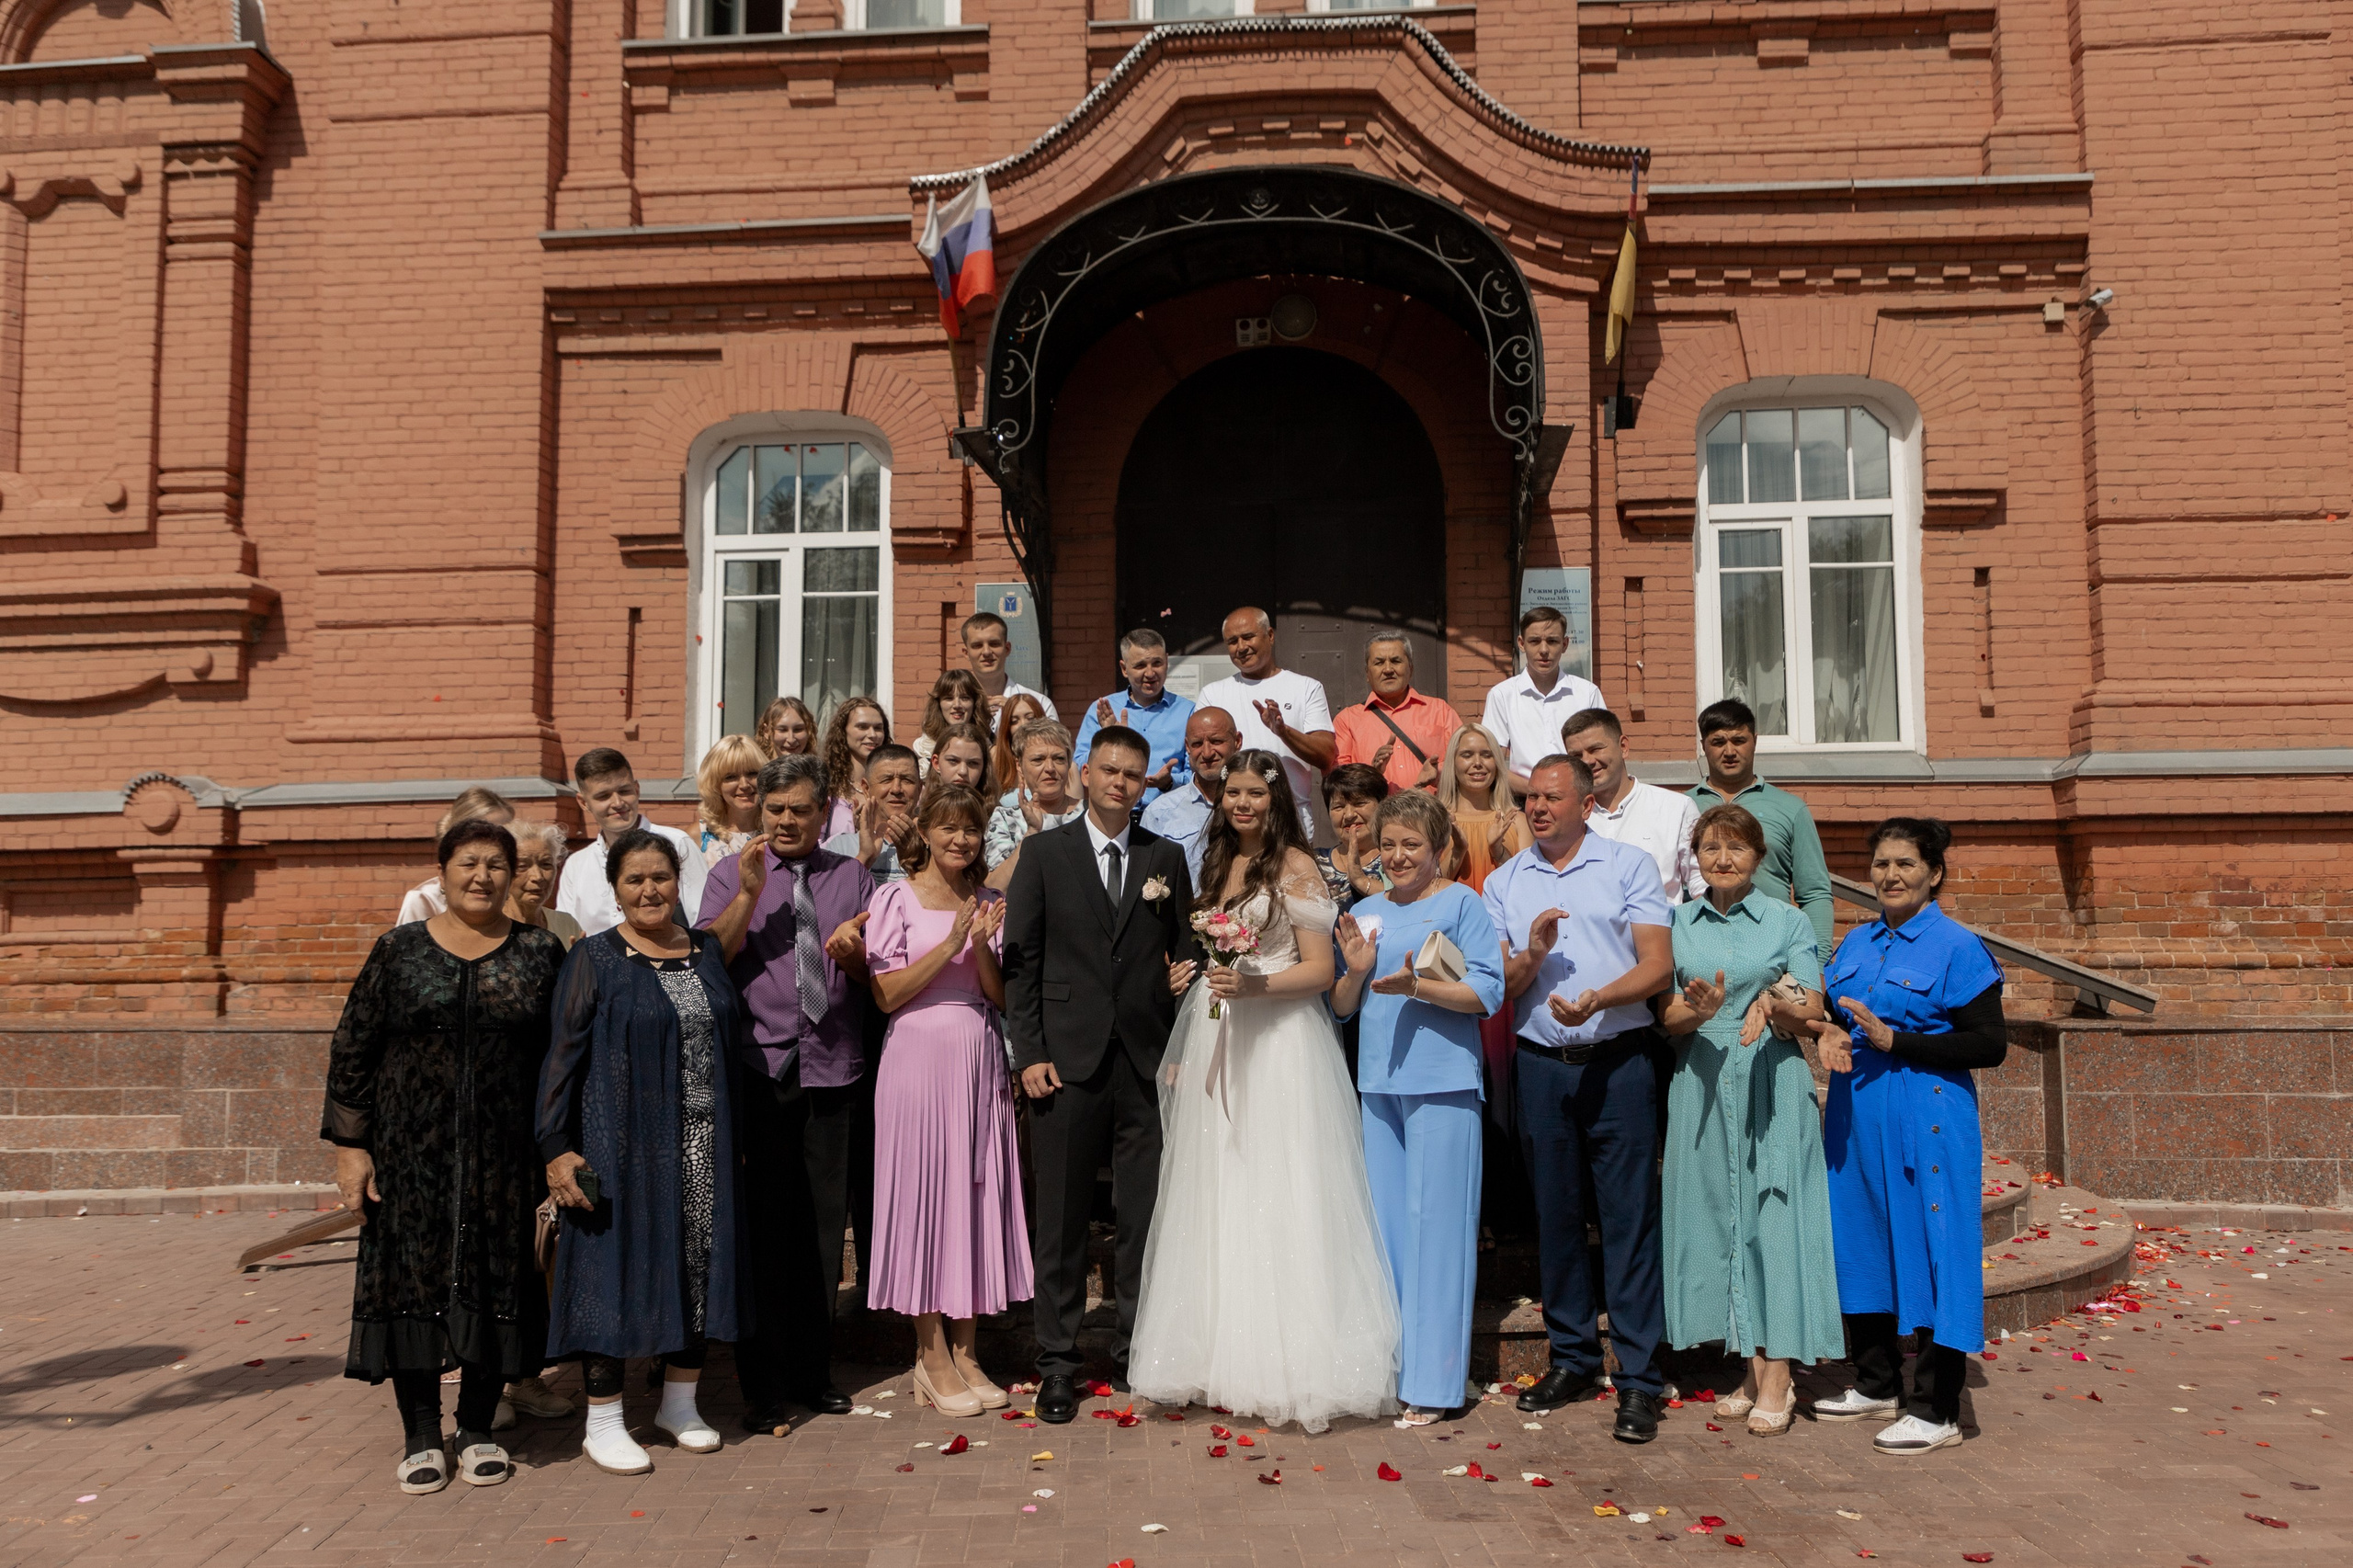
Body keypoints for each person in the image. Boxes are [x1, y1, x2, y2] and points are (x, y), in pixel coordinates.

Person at [1132, 748, 1400, 1432]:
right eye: (1233, 793)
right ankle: (1218, 1352)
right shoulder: (1218, 863)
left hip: (1282, 1043)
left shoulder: (1299, 867)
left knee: (1283, 1186)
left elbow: (1317, 970)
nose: (1242, 804)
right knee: (1219, 1186)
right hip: (1221, 1032)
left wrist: (1252, 985)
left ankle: (1290, 1359)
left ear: (1277, 800)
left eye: (1255, 793)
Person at [325, 819, 566, 1494]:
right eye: (469, 862)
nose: (483, 876)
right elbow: (353, 1051)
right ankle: (422, 1435)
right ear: (443, 871)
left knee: (497, 1282)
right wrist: (352, 1149)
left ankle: (480, 1428)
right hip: (410, 1156)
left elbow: (561, 1058)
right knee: (413, 1284)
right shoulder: (399, 951)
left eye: (497, 864)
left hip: (504, 1157)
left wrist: (557, 1147)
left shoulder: (539, 953)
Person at [1002, 726, 1194, 1424]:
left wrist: (1187, 976)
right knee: (1061, 1221)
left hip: (1145, 1065)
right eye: (1109, 770)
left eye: (1134, 775)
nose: (1120, 782)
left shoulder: (1164, 856)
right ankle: (1056, 1361)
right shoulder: (1045, 854)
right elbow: (1020, 964)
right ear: (1084, 774)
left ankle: (1134, 1353)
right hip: (1065, 1064)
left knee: (1142, 1219)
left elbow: (1185, 946)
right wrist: (1030, 1054)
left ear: (1146, 784)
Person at [540, 830, 746, 1474]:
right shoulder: (594, 958)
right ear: (616, 888)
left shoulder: (706, 950)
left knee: (697, 1265)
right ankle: (603, 1419)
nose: (649, 890)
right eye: (635, 880)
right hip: (619, 1144)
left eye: (660, 877)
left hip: (701, 1146)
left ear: (677, 881)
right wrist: (555, 1146)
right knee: (610, 1267)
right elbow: (561, 1059)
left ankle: (678, 1403)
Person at [1483, 755, 1674, 1442]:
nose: (1538, 807)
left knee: (1628, 1220)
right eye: (1530, 797)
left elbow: (1659, 963)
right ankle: (1571, 1359)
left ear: (1585, 804)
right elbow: (1500, 987)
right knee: (1555, 1217)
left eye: (1552, 797)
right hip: (1541, 1066)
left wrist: (1600, 996)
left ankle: (1640, 1378)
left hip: (1620, 1061)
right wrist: (1533, 955)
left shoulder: (1628, 867)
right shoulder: (1504, 880)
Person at [1805, 818, 2006, 1457]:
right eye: (1882, 865)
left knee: (1932, 1248)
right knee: (1862, 1240)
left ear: (1934, 873)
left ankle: (1936, 1407)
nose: (1891, 876)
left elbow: (1989, 1043)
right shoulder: (1858, 941)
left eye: (1906, 865)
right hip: (1855, 1114)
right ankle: (1876, 1382)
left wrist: (1900, 1041)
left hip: (1929, 1114)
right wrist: (1822, 1029)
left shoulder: (1956, 946)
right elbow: (1835, 1012)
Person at [697, 754, 877, 1430]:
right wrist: (746, 895)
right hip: (762, 1071)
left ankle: (814, 1372)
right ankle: (762, 1384)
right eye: (775, 810)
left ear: (823, 810)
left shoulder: (851, 876)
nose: (787, 821)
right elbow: (709, 956)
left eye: (800, 809)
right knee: (767, 1234)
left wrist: (856, 955)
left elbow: (874, 973)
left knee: (824, 1236)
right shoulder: (730, 873)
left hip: (833, 1069)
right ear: (759, 811)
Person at [1655, 804, 1839, 1438]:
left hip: (1772, 1076)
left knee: (1774, 1220)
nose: (1723, 858)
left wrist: (1769, 998)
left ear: (1759, 857)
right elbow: (1667, 1018)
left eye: (1736, 847)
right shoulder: (1677, 922)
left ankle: (1780, 1375)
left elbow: (1811, 1006)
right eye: (1710, 848)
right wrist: (1698, 1011)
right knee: (1721, 1220)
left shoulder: (1787, 920)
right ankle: (1751, 1365)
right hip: (1702, 1078)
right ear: (1695, 858)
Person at [1332, 788, 1506, 1425]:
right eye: (1389, 845)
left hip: (1444, 1083)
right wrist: (1353, 971)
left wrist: (1421, 987)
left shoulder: (1462, 902)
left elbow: (1485, 991)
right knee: (1390, 1235)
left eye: (1412, 845)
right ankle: (1395, 1368)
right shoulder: (1366, 908)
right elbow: (1345, 1006)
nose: (1399, 856)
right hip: (1378, 1085)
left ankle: (1434, 1384)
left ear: (1439, 849)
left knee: (1439, 1232)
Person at [865, 785, 1028, 1416]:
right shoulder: (895, 897)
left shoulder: (991, 901)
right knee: (924, 1197)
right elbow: (886, 995)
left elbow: (1000, 997)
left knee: (972, 1198)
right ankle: (929, 1357)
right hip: (916, 1057)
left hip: (978, 1056)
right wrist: (948, 940)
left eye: (971, 831)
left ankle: (967, 1353)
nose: (961, 840)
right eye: (949, 829)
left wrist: (980, 942)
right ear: (926, 833)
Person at [1688, 699, 1836, 958]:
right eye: (1718, 742)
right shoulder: (1681, 807)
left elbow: (1814, 894)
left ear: (1755, 741)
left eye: (1739, 740)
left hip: (1773, 953)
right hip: (1699, 951)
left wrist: (1818, 964)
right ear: (1703, 746)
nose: (1730, 751)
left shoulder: (1790, 809)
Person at [1196, 607, 1333, 838]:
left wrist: (1283, 732)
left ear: (1270, 635)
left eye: (1248, 637)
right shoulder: (1213, 694)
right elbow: (1202, 755)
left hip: (1289, 820)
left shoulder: (1306, 688)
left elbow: (1326, 755)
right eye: (1232, 641)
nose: (1241, 647)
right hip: (1234, 820)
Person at [554, 748, 707, 938]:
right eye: (603, 796)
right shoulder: (576, 865)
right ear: (583, 802)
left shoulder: (677, 844)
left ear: (636, 789)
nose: (617, 803)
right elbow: (568, 934)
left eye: (624, 791)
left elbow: (704, 920)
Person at [1563, 708, 1704, 903]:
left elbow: (1701, 880)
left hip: (1661, 930)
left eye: (1595, 749)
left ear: (1623, 747)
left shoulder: (1675, 808)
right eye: (1576, 755)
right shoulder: (1566, 816)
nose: (1587, 761)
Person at [1482, 607, 1607, 799]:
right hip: (1524, 800)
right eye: (1534, 641)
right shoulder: (1502, 696)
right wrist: (1537, 792)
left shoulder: (1587, 693)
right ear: (1521, 643)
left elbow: (1602, 754)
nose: (1544, 650)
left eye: (1552, 641)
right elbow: (1492, 764)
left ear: (1565, 644)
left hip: (1578, 800)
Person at [1072, 628, 1195, 806]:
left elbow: (1197, 771)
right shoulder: (1103, 710)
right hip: (1116, 814)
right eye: (1140, 665)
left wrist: (1169, 782)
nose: (1150, 673)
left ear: (1167, 662)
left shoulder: (1188, 712)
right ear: (1124, 668)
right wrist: (1110, 740)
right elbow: (1081, 766)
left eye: (1157, 663)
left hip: (1169, 816)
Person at [1332, 631, 1462, 795]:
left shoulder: (1441, 711)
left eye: (1396, 661)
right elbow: (1338, 781)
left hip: (1432, 815)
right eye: (1379, 663)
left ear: (1411, 669)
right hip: (1376, 818)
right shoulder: (1347, 721)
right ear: (1367, 674)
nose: (1388, 669)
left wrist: (1438, 773)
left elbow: (1464, 761)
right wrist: (1372, 773)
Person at [1139, 704, 1239, 892]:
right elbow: (1146, 879)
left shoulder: (1256, 807)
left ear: (1238, 741)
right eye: (1197, 744)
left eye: (1216, 741)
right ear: (1187, 747)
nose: (1207, 753)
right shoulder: (1160, 812)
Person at [394, 787, 516, 925]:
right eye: (488, 832)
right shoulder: (424, 899)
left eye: (509, 832)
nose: (501, 840)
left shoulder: (518, 892)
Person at [1436, 723, 1531, 893]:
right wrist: (1458, 851)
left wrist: (1499, 852)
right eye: (1467, 755)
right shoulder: (1435, 820)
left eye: (1486, 755)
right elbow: (1426, 889)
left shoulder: (1518, 822)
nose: (1478, 763)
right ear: (1453, 762)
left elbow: (1526, 888)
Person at [983, 717, 1083, 874]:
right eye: (1038, 759)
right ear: (1020, 766)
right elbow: (995, 887)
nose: (1050, 768)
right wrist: (1031, 833)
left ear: (1069, 762)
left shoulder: (1091, 815)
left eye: (1059, 758)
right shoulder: (1005, 819)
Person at [826, 742, 921, 883]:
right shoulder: (839, 848)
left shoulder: (935, 847)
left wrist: (916, 858)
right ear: (866, 789)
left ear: (919, 788)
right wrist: (865, 858)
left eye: (907, 780)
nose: (896, 789)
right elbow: (832, 902)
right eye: (886, 780)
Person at [961, 610, 1057, 731]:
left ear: (1007, 648)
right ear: (966, 653)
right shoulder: (953, 707)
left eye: (994, 644)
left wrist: (1018, 715)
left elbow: (1052, 747)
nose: (986, 652)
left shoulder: (1040, 704)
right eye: (977, 645)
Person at [1314, 763, 1390, 910]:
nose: (1349, 815)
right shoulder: (1315, 862)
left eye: (1359, 803)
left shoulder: (1397, 859)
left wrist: (1362, 882)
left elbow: (1414, 904)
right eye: (1338, 807)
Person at [820, 697, 892, 843]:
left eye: (878, 728)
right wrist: (851, 831)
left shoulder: (894, 786)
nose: (872, 735)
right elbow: (813, 845)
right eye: (862, 727)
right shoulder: (826, 787)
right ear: (843, 731)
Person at [506, 823, 585, 949]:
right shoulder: (487, 927)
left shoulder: (566, 924)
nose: (537, 876)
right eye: (522, 866)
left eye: (546, 864)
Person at [696, 733, 767, 868]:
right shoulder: (697, 837)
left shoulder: (779, 831)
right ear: (715, 784)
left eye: (752, 773)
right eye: (731, 777)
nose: (744, 785)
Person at [913, 670, 986, 774]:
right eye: (949, 698)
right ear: (939, 703)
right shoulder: (925, 747)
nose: (957, 705)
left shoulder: (988, 745)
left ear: (975, 703)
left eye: (965, 698)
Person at [985, 692, 1048, 804]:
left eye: (1030, 718)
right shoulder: (996, 756)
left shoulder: (1061, 765)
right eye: (1014, 721)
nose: (1023, 725)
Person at [923, 721, 995, 801]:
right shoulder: (921, 812)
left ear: (984, 767)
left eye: (973, 763)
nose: (963, 771)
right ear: (936, 763)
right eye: (953, 760)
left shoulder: (999, 813)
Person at [756, 695, 817, 760]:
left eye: (798, 730)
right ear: (766, 731)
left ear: (809, 730)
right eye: (782, 730)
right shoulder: (755, 768)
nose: (791, 740)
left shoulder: (818, 769)